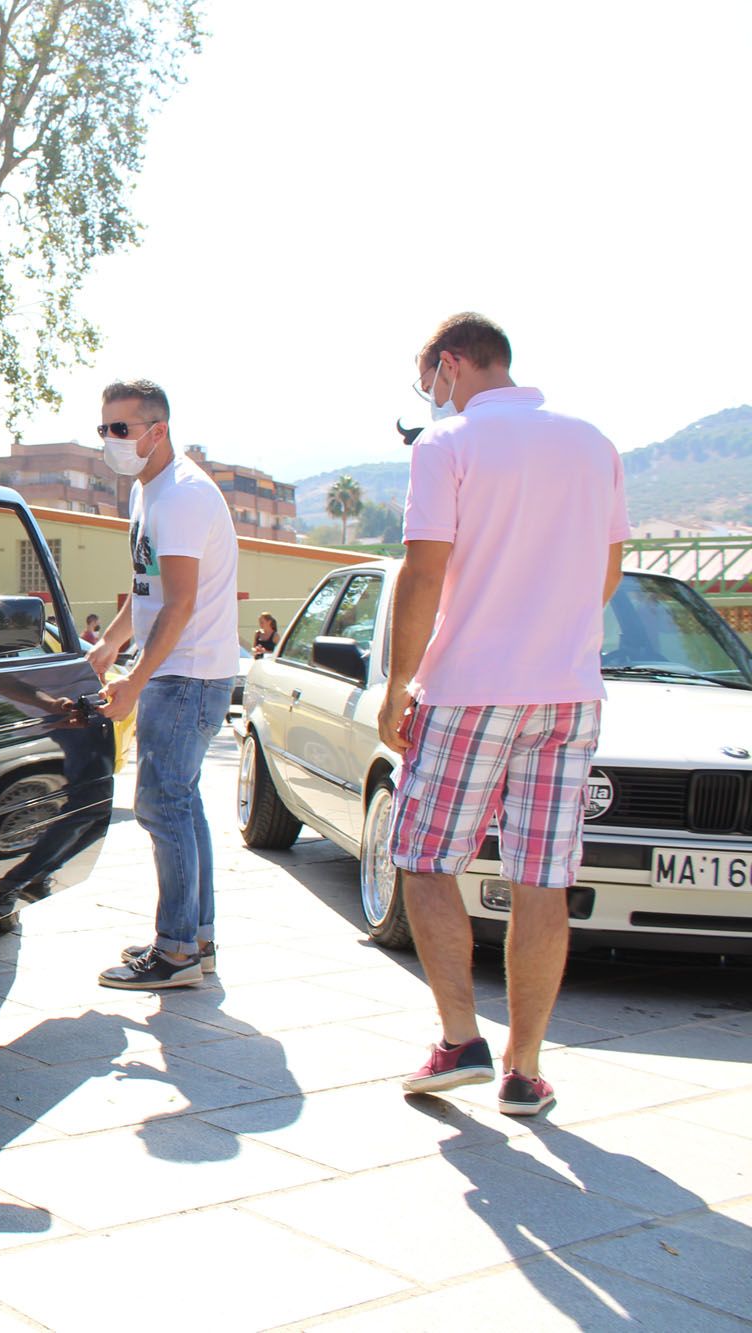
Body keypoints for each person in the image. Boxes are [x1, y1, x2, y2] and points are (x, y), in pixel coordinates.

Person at [380, 313, 627, 1118]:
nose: (432, 401)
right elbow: (611, 564)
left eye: (430, 385)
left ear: (452, 364)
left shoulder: (446, 446)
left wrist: (396, 682)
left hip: (469, 688)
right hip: (568, 691)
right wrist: (552, 632)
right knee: (541, 875)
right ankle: (525, 1068)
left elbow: (423, 573)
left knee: (422, 856)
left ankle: (461, 1040)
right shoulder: (594, 442)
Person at [87, 379, 242, 989]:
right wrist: (111, 641)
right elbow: (149, 590)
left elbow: (179, 606)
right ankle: (194, 940)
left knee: (161, 805)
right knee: (182, 804)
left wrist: (133, 680)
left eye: (120, 430)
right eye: (104, 429)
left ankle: (177, 952)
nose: (110, 441)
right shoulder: (149, 491)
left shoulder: (179, 497)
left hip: (187, 676)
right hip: (183, 673)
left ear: (158, 430)